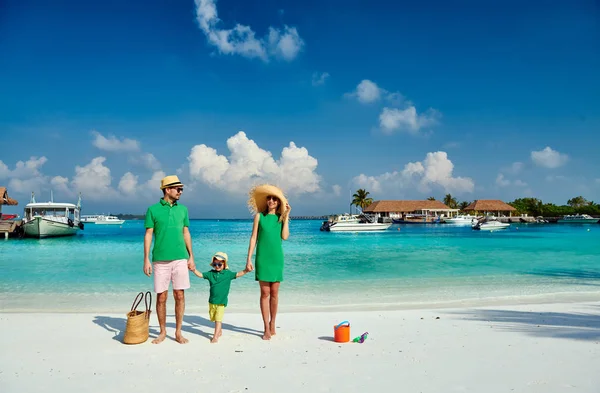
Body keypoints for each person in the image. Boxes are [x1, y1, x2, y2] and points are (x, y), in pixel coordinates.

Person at [143, 175, 195, 344]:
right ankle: (163, 332)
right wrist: (146, 259)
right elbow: (149, 234)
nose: (181, 192)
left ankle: (178, 332)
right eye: (178, 189)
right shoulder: (152, 210)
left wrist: (191, 256)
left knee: (180, 295)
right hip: (160, 260)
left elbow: (186, 232)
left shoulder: (184, 210)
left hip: (181, 258)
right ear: (167, 190)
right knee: (161, 297)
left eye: (181, 189)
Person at [246, 184, 291, 340]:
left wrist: (286, 217)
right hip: (262, 258)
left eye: (274, 199)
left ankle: (273, 323)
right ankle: (266, 327)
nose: (271, 201)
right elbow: (253, 238)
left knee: (274, 293)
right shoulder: (259, 216)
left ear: (278, 202)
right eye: (269, 198)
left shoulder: (281, 218)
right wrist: (249, 259)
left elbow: (285, 237)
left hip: (276, 258)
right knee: (264, 293)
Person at [191, 252, 250, 343]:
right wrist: (194, 270)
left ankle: (215, 336)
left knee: (218, 319)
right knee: (213, 318)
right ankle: (219, 330)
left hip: (221, 301)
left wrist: (246, 270)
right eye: (215, 264)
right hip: (212, 301)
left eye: (219, 264)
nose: (217, 266)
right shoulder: (211, 273)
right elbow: (201, 275)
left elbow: (238, 274)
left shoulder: (228, 274)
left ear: (224, 264)